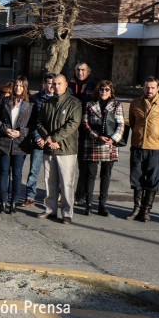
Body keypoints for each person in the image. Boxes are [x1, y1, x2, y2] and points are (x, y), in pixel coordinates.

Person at [126, 76, 159, 222]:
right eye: (147, 87)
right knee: (136, 178)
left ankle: (146, 210)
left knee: (153, 179)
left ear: (158, 89)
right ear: (143, 87)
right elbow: (133, 121)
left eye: (153, 87)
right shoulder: (135, 103)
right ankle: (136, 208)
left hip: (155, 149)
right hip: (137, 146)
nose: (149, 90)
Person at [35, 74, 82, 224]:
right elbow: (39, 123)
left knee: (67, 183)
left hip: (66, 149)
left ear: (66, 84)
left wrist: (54, 138)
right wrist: (49, 138)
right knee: (50, 181)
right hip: (50, 149)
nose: (55, 86)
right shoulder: (47, 103)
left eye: (59, 84)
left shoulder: (74, 103)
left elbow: (73, 124)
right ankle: (50, 209)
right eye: (53, 84)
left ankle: (67, 213)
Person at [81, 81, 125, 217]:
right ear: (97, 90)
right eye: (101, 89)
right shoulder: (89, 105)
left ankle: (102, 205)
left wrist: (113, 139)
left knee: (106, 176)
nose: (104, 92)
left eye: (107, 90)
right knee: (90, 175)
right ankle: (88, 204)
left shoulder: (117, 105)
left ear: (111, 91)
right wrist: (97, 136)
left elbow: (121, 124)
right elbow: (85, 123)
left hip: (110, 143)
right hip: (94, 142)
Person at [0, 77, 33, 214]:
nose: (18, 88)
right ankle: (3, 201)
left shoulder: (29, 104)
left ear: (25, 88)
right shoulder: (5, 101)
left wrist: (21, 133)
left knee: (17, 174)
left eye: (21, 86)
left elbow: (32, 125)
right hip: (4, 142)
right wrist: (5, 129)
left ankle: (14, 202)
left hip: (20, 144)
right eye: (16, 85)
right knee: (4, 172)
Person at [24, 74, 56, 206]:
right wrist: (38, 138)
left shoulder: (60, 99)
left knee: (53, 172)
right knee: (34, 170)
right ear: (44, 84)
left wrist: (51, 139)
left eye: (53, 83)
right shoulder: (36, 99)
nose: (51, 86)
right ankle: (30, 196)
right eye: (48, 83)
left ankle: (53, 196)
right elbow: (32, 122)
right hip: (39, 141)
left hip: (54, 141)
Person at [70, 62, 97, 205]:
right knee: (66, 165)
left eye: (83, 70)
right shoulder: (68, 85)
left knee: (83, 166)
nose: (80, 72)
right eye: (78, 69)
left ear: (88, 72)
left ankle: (80, 195)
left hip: (85, 132)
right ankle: (64, 193)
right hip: (69, 131)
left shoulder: (93, 87)